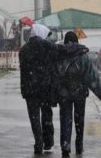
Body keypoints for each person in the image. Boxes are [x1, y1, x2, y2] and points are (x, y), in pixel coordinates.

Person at [20, 24, 85, 155]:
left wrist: (25, 87)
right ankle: (48, 141)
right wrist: (79, 48)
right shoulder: (47, 46)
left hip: (29, 89)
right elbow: (63, 50)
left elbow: (23, 71)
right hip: (44, 88)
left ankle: (38, 143)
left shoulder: (23, 50)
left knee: (34, 118)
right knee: (46, 115)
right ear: (41, 33)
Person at [55, 31, 101, 156]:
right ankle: (79, 145)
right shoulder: (83, 56)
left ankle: (65, 145)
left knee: (65, 119)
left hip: (63, 93)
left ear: (65, 41)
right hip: (79, 92)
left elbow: (55, 75)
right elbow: (92, 77)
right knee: (79, 120)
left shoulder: (60, 55)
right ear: (77, 41)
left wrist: (52, 92)